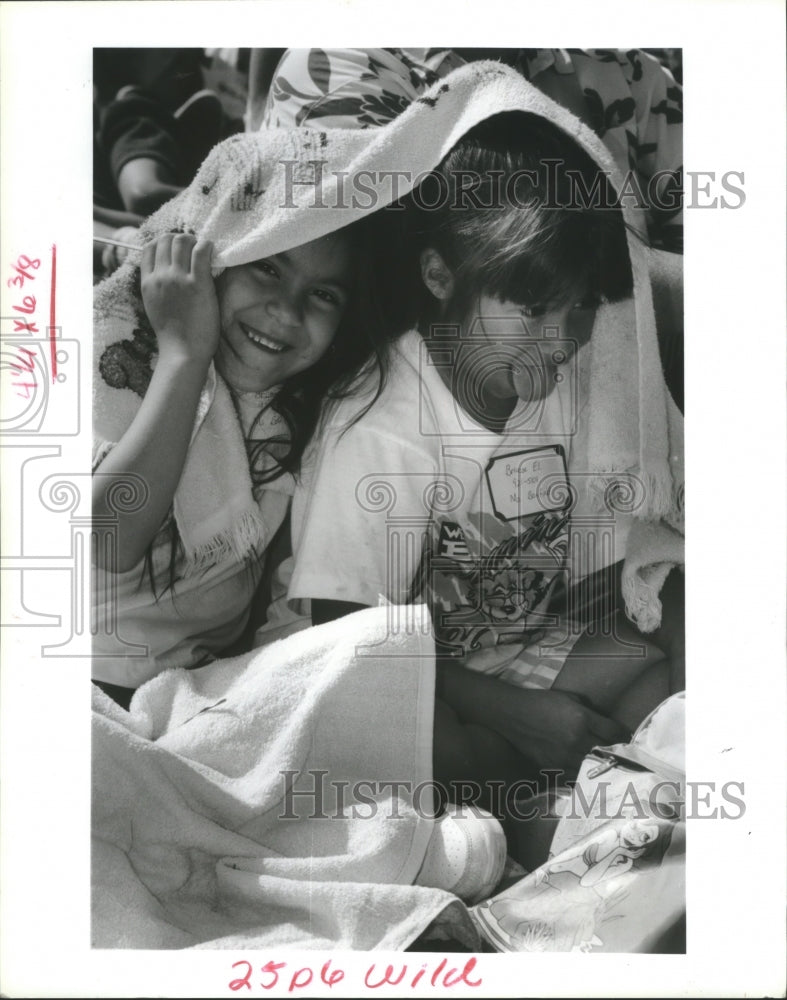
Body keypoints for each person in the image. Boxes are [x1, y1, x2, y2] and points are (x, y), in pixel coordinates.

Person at [284, 107, 684, 808]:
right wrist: (511, 715)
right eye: (531, 310)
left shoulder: (549, 377)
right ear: (441, 275)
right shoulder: (382, 434)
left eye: (579, 310)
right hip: (382, 675)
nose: (560, 344)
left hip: (508, 652)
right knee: (462, 757)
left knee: (656, 661)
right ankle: (528, 802)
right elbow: (343, 638)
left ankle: (553, 788)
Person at [91, 132, 400, 708]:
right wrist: (184, 353)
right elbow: (109, 539)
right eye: (267, 269)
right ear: (212, 258)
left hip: (193, 692)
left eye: (324, 295)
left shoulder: (306, 410)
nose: (287, 310)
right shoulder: (122, 354)